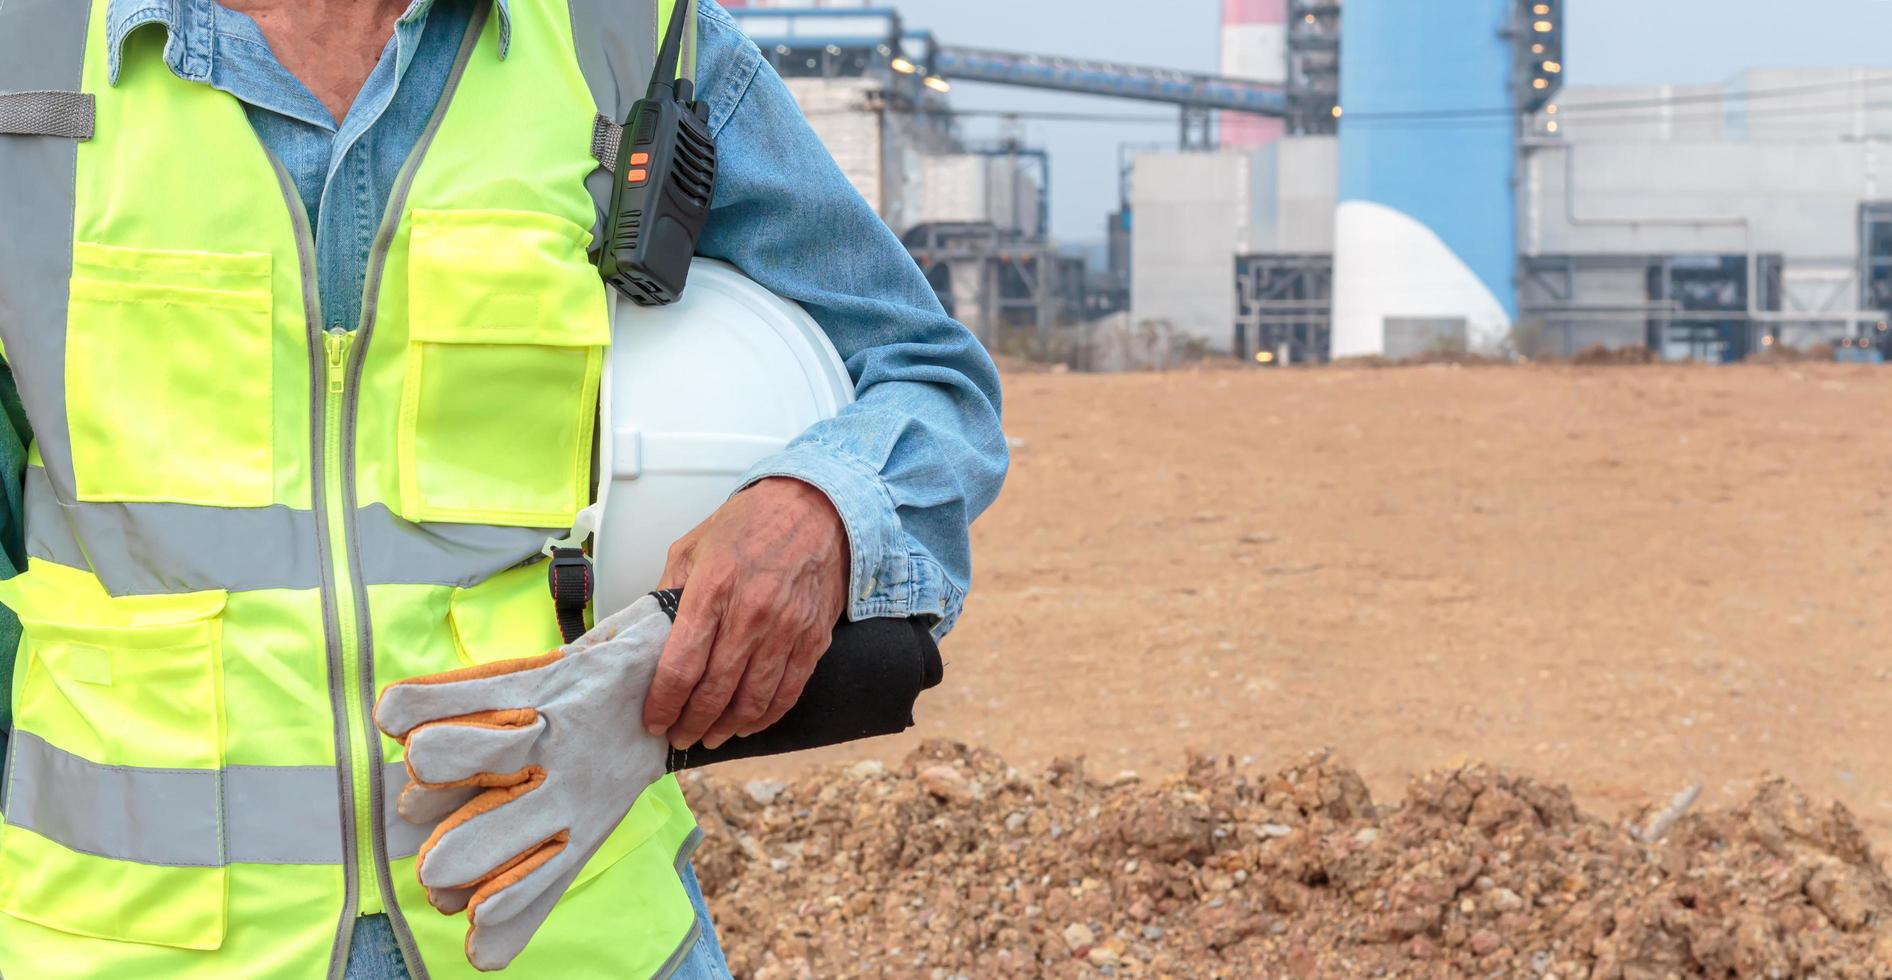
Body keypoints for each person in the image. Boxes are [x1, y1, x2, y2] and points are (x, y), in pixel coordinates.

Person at [0, 0, 1006, 977]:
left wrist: (817, 508)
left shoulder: (624, 36)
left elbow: (925, 372)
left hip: (570, 934)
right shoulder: (25, 54)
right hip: (126, 940)